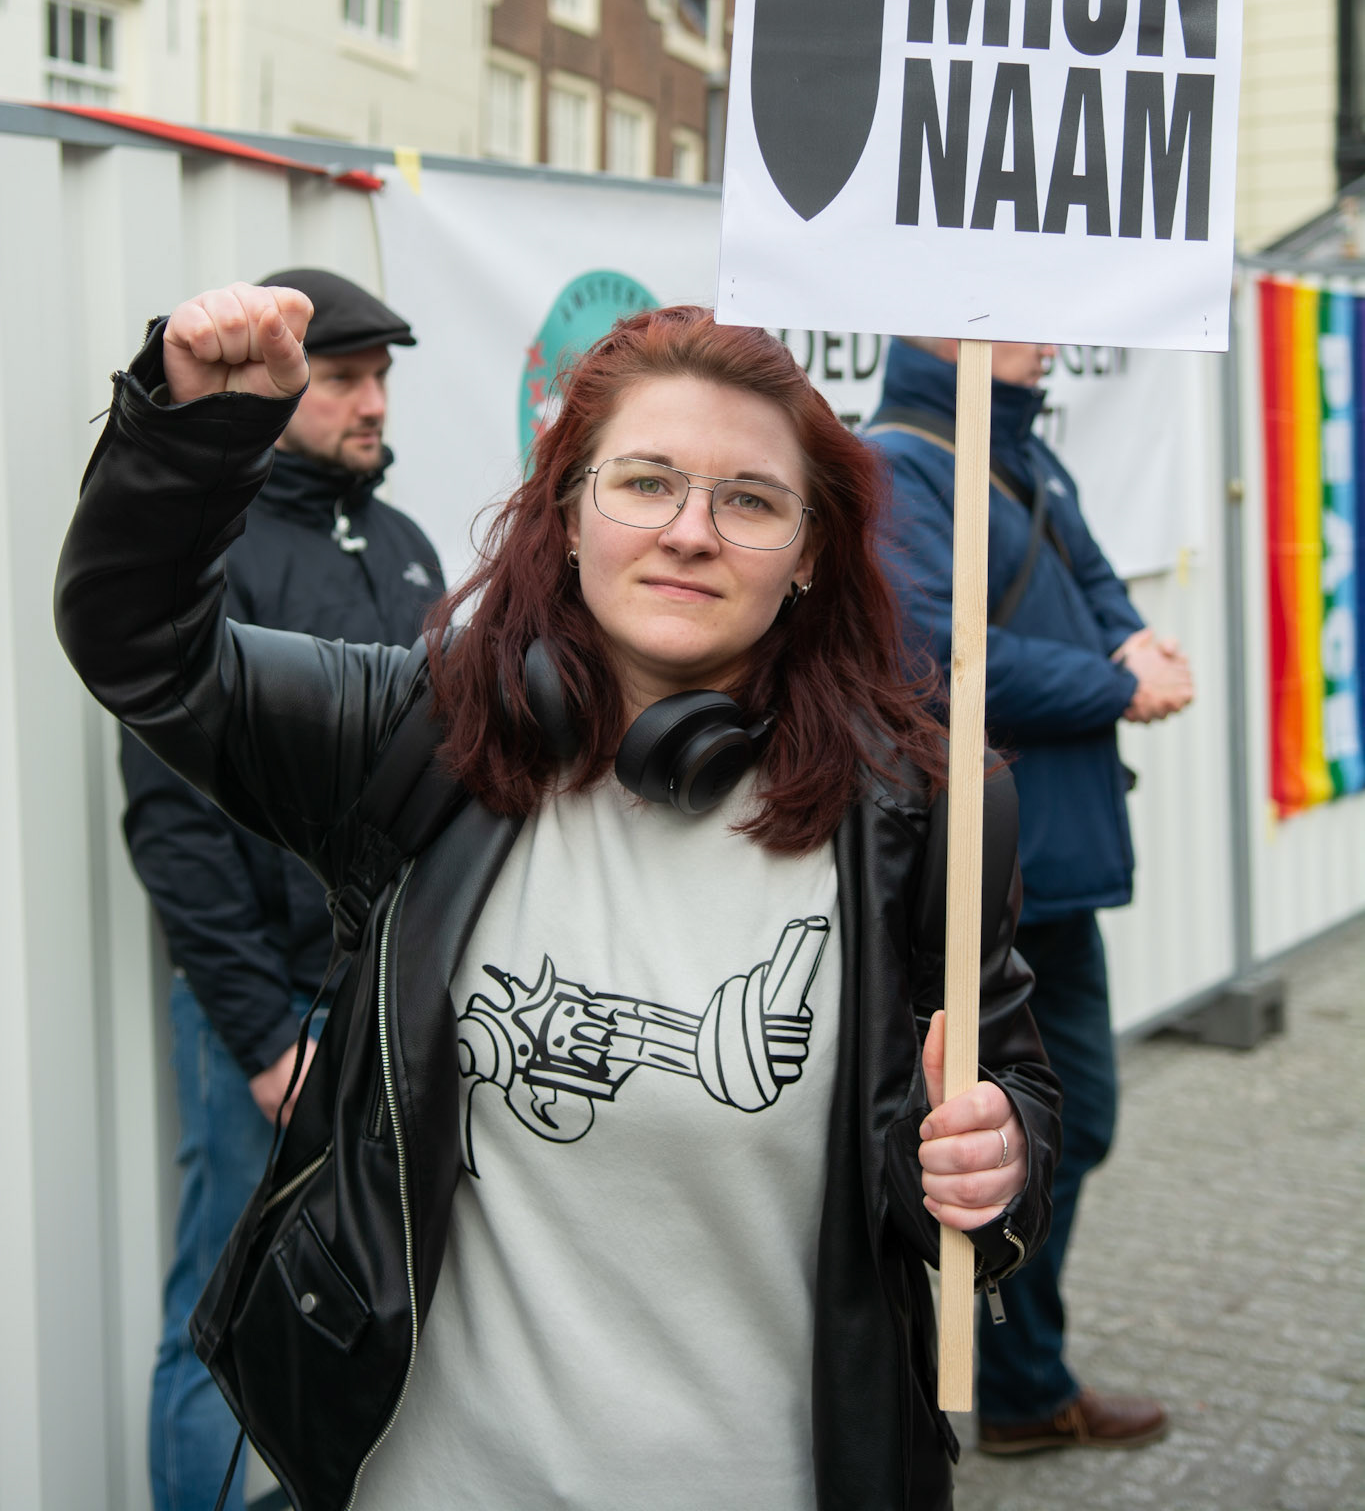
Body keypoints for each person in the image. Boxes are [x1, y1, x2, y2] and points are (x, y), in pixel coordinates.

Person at [58, 284, 1061, 1511]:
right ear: (570, 514)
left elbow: (1007, 1095)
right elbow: (141, 644)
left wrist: (996, 1163)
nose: (690, 530)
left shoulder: (921, 809)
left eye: (750, 499)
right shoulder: (420, 738)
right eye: (645, 481)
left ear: (809, 553)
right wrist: (195, 433)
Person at [119, 268, 443, 1511]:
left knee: (374, 1292)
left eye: (381, 378)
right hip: (265, 1020)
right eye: (345, 379)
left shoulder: (405, 544)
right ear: (285, 384)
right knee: (224, 1304)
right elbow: (173, 823)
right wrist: (261, 1035)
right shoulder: (220, 552)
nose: (372, 403)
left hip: (386, 999)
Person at [867, 335, 1194, 1457]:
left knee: (1070, 1124)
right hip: (988, 877)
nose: (1050, 338)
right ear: (936, 323)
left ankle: (1017, 1374)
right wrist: (1116, 685)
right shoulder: (896, 464)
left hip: (1057, 865)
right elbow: (934, 652)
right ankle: (1015, 1386)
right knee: (1011, 1142)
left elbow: (1097, 581)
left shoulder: (1028, 454)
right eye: (1022, 317)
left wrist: (1136, 643)